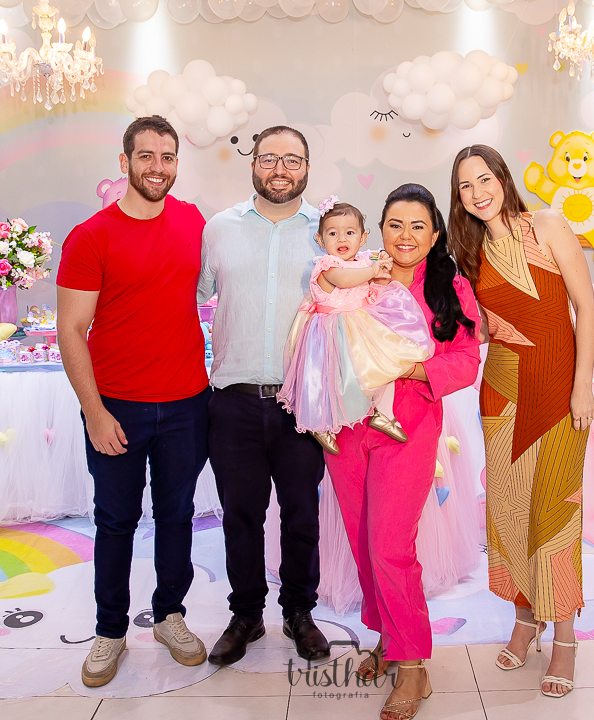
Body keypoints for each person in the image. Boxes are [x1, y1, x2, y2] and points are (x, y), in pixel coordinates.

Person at [57, 116, 211, 687]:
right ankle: (110, 631)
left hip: (187, 403)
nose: (157, 167)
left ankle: (170, 616)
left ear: (177, 164)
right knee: (116, 522)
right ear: (124, 162)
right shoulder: (90, 236)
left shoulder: (193, 221)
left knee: (177, 517)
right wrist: (95, 412)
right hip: (116, 407)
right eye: (145, 156)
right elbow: (71, 330)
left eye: (167, 157)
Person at [325, 184, 481, 720]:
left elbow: (466, 361)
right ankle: (388, 639)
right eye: (395, 224)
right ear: (380, 230)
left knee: (391, 544)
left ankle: (413, 664)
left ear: (435, 234)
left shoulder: (449, 285)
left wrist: (411, 368)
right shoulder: (359, 273)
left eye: (418, 226)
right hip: (348, 426)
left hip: (409, 427)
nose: (406, 236)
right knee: (363, 540)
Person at [448, 144, 594, 699]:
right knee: (510, 511)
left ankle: (565, 637)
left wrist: (582, 385)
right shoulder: (468, 252)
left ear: (503, 179)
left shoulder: (549, 224)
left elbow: (585, 308)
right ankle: (525, 618)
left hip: (559, 386)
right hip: (502, 391)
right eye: (466, 186)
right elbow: (483, 329)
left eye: (484, 179)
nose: (478, 192)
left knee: (555, 514)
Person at [197, 125, 331, 665]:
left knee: (302, 516)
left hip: (303, 402)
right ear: (253, 163)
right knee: (240, 517)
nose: (280, 169)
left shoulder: (327, 231)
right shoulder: (218, 229)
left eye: (292, 159)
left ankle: (299, 611)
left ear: (307, 167)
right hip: (233, 401)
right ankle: (246, 615)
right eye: (269, 158)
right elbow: (193, 296)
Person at [276, 197, 434, 454]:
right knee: (328, 380)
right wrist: (372, 271)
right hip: (333, 331)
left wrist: (380, 277)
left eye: (350, 232)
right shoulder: (328, 266)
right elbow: (344, 280)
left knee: (385, 365)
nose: (342, 239)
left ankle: (383, 412)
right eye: (333, 233)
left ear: (362, 238)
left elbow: (370, 286)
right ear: (320, 240)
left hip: (360, 326)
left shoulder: (362, 262)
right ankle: (319, 422)